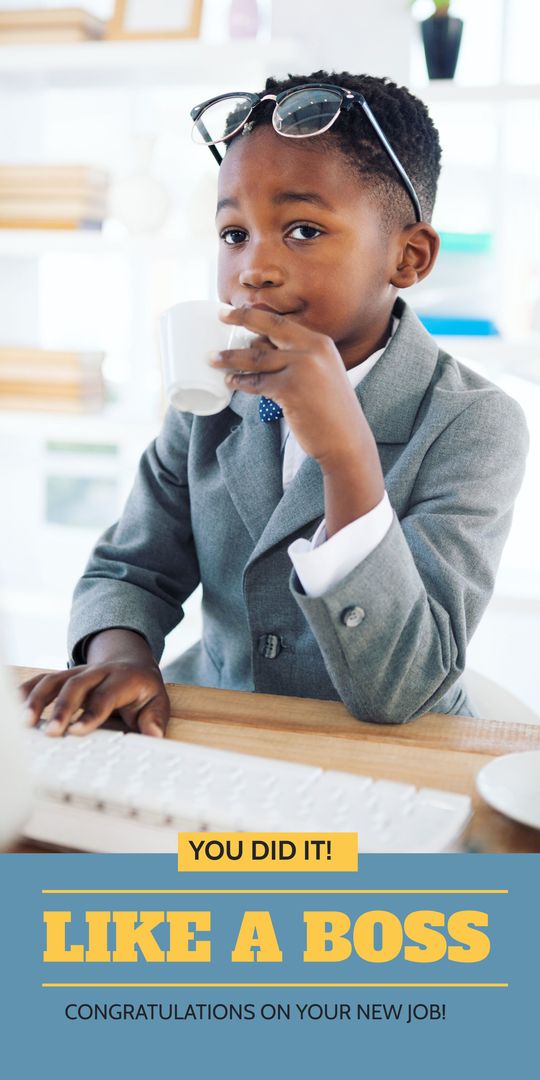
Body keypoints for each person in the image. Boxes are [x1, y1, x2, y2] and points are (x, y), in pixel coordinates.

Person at [21, 71, 528, 737]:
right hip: (217, 723)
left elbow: (405, 684)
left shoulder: (473, 422)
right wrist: (123, 655)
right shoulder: (213, 395)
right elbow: (131, 569)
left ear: (408, 256)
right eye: (235, 234)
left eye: (303, 230)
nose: (254, 267)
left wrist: (346, 453)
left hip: (388, 750)